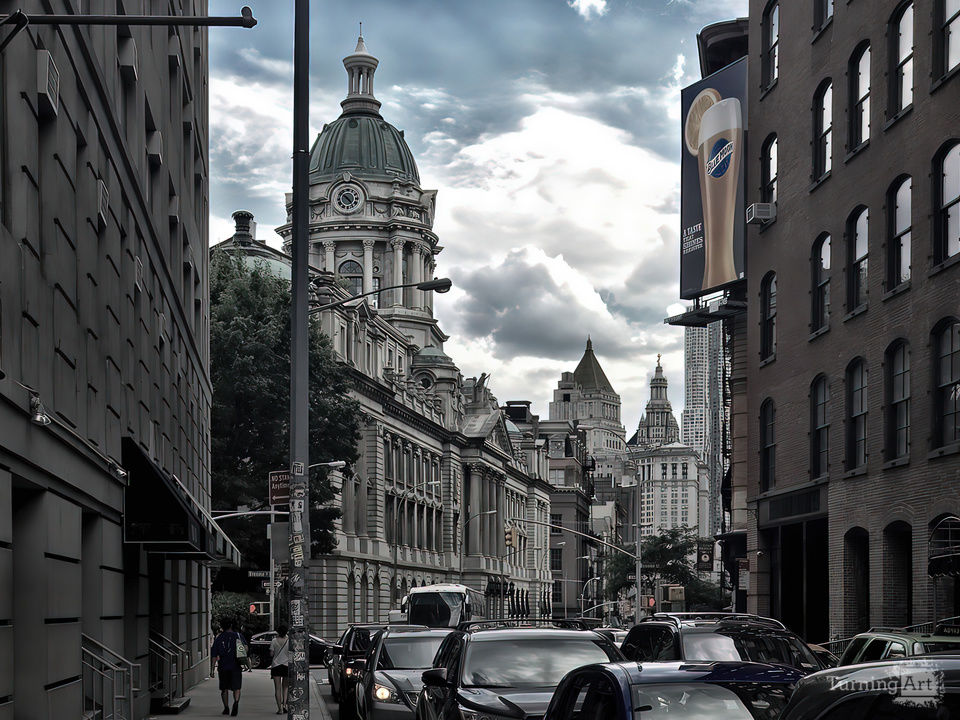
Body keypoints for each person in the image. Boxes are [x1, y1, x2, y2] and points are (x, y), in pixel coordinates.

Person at [210, 619, 246, 716]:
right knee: (236, 687)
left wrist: (212, 669)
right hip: (236, 666)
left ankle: (226, 708)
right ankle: (236, 702)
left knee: (224, 688)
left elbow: (214, 655)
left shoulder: (219, 638)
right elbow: (245, 648)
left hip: (223, 666)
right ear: (232, 625)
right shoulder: (238, 636)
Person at [269, 624, 291, 714]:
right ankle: (285, 705)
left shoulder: (274, 641)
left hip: (276, 666)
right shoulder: (289, 641)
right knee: (285, 687)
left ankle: (280, 709)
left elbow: (271, 654)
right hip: (286, 666)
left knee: (277, 688)